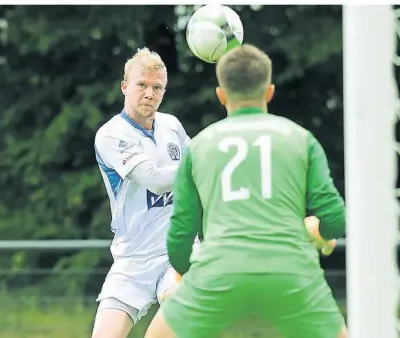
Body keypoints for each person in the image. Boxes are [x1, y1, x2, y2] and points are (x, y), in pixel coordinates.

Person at [144, 44, 348, 338]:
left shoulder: (198, 146)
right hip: (291, 275)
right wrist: (317, 232)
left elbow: (179, 238)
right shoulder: (301, 139)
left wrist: (193, 281)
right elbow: (337, 219)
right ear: (269, 92)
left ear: (221, 95)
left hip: (218, 274)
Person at [92, 47, 191, 338]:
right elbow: (157, 181)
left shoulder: (171, 125)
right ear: (125, 86)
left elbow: (198, 164)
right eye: (142, 85)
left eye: (157, 87)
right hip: (132, 259)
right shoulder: (111, 134)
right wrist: (202, 164)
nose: (150, 93)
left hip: (179, 250)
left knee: (182, 307)